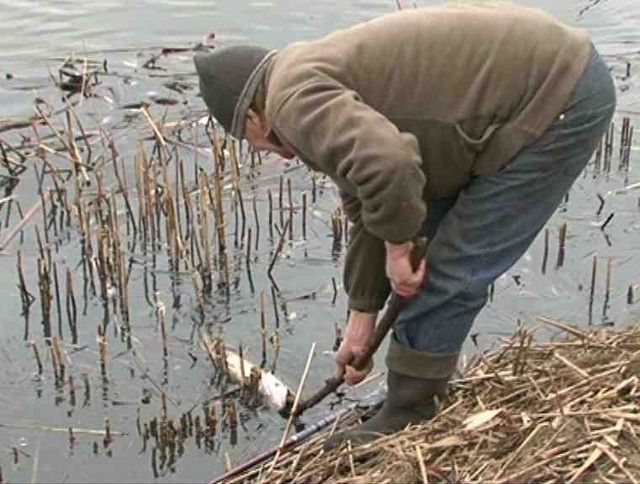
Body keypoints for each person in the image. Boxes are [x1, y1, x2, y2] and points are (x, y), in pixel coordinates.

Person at [193, 3, 616, 450]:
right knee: (418, 244)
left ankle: (409, 412)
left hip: (556, 96)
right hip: (531, 87)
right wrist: (362, 321)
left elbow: (389, 165)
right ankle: (411, 389)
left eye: (250, 141)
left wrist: (399, 249)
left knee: (449, 264)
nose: (270, 153)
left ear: (254, 119)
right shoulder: (299, 74)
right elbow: (368, 204)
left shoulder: (290, 101)